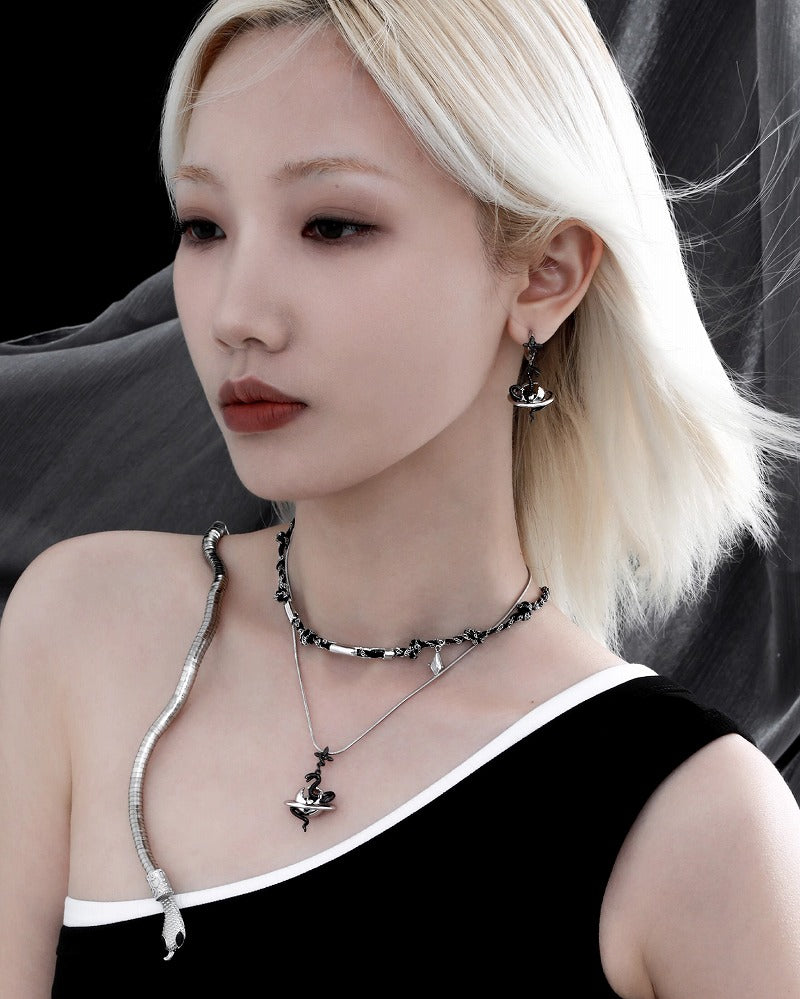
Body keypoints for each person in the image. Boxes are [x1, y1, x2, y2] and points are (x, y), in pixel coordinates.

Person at [1, 0, 798, 994]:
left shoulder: (700, 825)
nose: (237, 313)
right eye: (204, 226)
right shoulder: (83, 627)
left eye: (333, 225)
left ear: (544, 275)